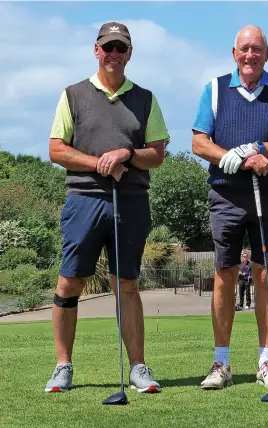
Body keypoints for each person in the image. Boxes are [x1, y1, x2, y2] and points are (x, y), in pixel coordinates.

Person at [45, 22, 169, 393]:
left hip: (130, 201)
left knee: (126, 283)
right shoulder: (73, 94)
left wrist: (126, 154)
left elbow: (157, 153)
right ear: (96, 50)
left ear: (129, 53)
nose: (114, 54)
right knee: (70, 281)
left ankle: (138, 368)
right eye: (108, 47)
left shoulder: (145, 98)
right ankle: (63, 366)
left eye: (121, 48)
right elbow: (56, 149)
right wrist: (99, 162)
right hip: (83, 199)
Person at [192, 24, 268, 390]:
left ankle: (266, 361)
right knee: (225, 274)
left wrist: (258, 149)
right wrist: (238, 158)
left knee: (264, 275)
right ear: (234, 52)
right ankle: (221, 363)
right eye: (244, 49)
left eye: (257, 49)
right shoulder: (214, 89)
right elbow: (199, 142)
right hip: (227, 196)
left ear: (267, 53)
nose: (250, 56)